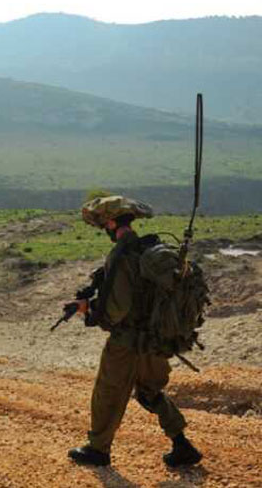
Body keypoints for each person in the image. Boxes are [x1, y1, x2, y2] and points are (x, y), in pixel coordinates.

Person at [68, 195, 201, 468]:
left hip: (128, 341)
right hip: (157, 339)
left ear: (113, 223)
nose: (104, 228)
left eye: (105, 223)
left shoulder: (122, 255)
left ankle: (98, 449)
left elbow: (118, 308)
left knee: (107, 393)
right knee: (150, 392)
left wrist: (89, 310)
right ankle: (182, 445)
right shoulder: (149, 249)